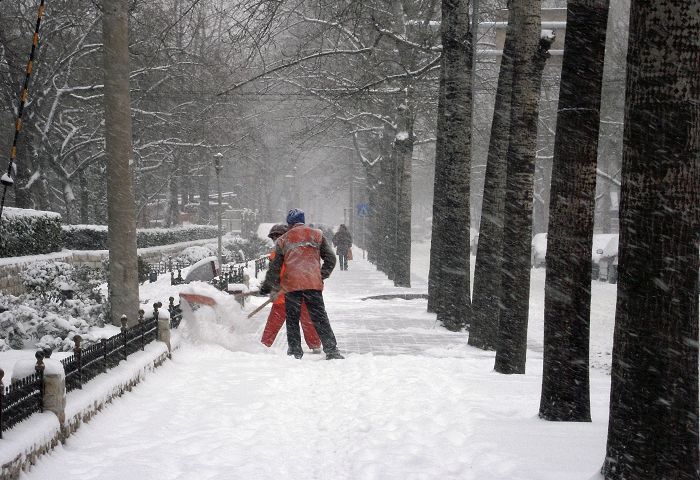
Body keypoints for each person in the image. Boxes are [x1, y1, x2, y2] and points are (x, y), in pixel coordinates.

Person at [260, 208, 344, 360]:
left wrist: (267, 286)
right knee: (320, 318)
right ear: (303, 221)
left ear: (289, 223)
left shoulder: (283, 240)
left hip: (292, 286)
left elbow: (275, 268)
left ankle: (294, 351)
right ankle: (332, 350)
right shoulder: (317, 235)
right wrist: (320, 275)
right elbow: (331, 259)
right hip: (312, 284)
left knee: (292, 319)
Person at [260, 224, 322, 353]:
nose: (276, 240)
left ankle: (314, 345)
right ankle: (264, 345)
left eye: (278, 236)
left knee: (307, 320)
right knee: (274, 322)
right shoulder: (278, 254)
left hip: (296, 292)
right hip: (285, 296)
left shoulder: (291, 253)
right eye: (274, 238)